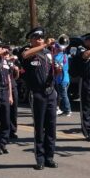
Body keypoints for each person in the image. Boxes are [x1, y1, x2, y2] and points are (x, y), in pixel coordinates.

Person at [21, 27, 58, 170]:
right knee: (39, 127)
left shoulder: (48, 53)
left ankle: (50, 157)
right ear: (31, 40)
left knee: (51, 127)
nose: (40, 39)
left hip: (50, 92)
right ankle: (40, 159)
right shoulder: (28, 52)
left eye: (41, 37)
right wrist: (44, 45)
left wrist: (58, 70)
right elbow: (25, 55)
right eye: (36, 38)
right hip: (37, 93)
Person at [7, 48, 21, 140]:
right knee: (6, 110)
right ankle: (6, 130)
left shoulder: (13, 62)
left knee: (14, 110)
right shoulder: (2, 62)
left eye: (8, 52)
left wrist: (17, 70)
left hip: (13, 86)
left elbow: (16, 76)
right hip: (4, 88)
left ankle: (13, 130)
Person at [54, 43, 71, 117]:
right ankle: (64, 110)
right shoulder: (65, 55)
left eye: (56, 48)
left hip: (60, 78)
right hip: (66, 78)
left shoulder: (56, 57)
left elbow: (56, 67)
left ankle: (67, 110)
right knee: (62, 95)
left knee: (63, 95)